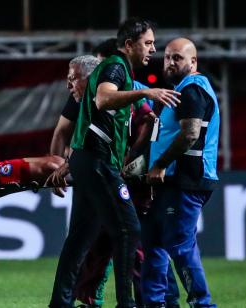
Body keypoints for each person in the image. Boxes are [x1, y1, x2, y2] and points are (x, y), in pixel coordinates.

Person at [48, 18, 181, 308]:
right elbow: (104, 100)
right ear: (129, 44)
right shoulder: (116, 67)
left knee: (80, 239)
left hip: (89, 160)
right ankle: (126, 303)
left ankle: (60, 303)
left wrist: (74, 163)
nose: (153, 49)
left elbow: (89, 119)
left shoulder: (112, 70)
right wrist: (147, 92)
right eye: (148, 43)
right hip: (98, 163)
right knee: (129, 230)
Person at [142, 37, 219, 307]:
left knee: (180, 246)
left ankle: (202, 303)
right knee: (152, 241)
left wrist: (160, 164)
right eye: (167, 57)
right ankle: (158, 302)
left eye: (178, 57)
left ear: (193, 62)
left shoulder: (193, 90)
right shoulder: (181, 90)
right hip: (172, 181)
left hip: (186, 179)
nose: (170, 62)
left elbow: (190, 134)